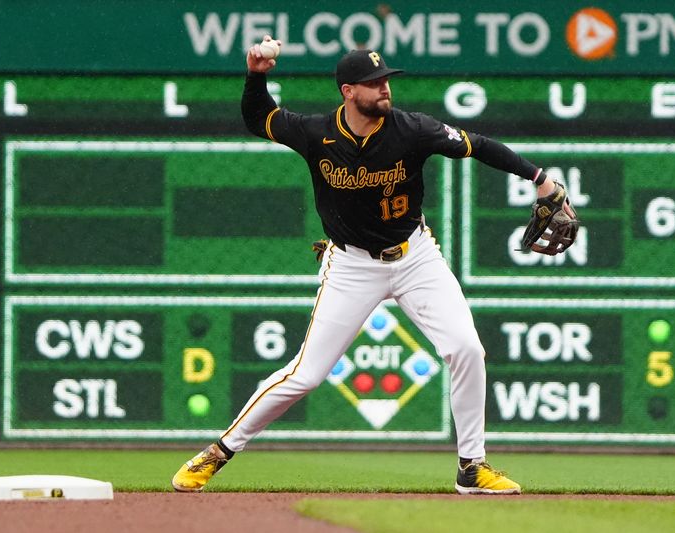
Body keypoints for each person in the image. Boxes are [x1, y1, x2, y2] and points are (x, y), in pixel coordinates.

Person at [172, 36, 574, 495]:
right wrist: (257, 74)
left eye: (386, 80)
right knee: (306, 374)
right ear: (348, 91)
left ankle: (472, 467)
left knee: (466, 349)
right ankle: (218, 452)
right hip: (351, 266)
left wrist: (539, 180)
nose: (384, 88)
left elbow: (478, 145)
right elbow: (258, 118)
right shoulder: (316, 132)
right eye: (373, 82)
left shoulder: (413, 129)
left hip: (415, 256)